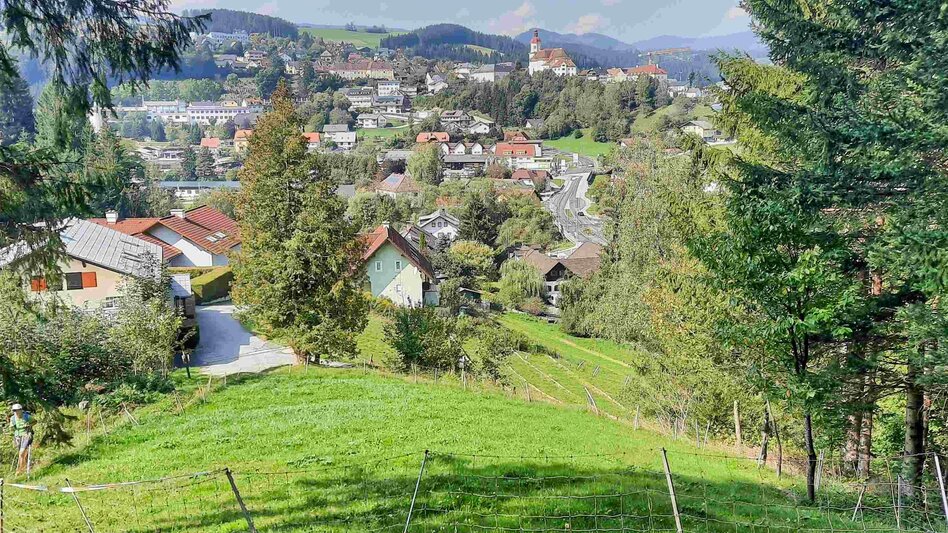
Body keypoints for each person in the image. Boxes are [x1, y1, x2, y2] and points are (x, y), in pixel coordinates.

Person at [10, 404, 33, 474]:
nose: (16, 412)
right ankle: (25, 467)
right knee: (22, 454)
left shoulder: (27, 416)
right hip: (18, 437)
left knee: (21, 453)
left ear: (21, 410)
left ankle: (20, 470)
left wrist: (29, 425)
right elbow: (13, 428)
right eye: (14, 410)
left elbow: (35, 421)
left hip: (26, 435)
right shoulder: (13, 418)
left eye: (17, 410)